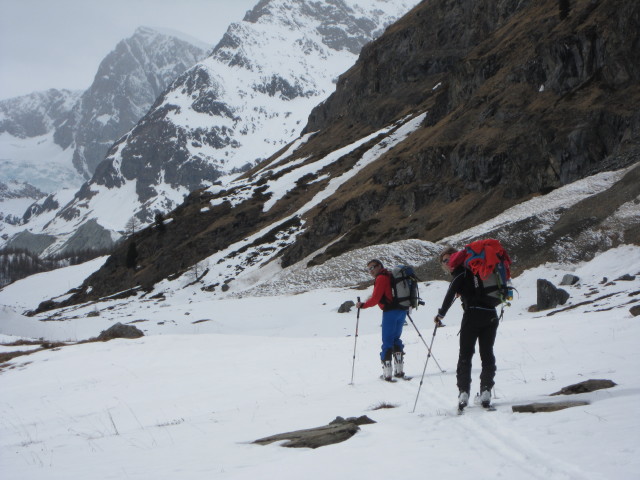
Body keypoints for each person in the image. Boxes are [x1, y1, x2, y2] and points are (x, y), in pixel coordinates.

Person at [434, 247, 499, 411]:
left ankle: (463, 392)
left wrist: (441, 314)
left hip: (472, 316)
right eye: (444, 261)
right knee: (487, 353)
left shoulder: (461, 272)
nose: (447, 263)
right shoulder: (477, 269)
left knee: (465, 354)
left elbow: (450, 294)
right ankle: (486, 391)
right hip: (491, 314)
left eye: (448, 259)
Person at [356, 259, 407, 381]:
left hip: (390, 311)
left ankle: (387, 373)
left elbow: (375, 299)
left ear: (379, 266)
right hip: (402, 310)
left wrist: (363, 305)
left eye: (372, 267)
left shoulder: (381, 278)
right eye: (368, 269)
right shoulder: (390, 275)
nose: (370, 271)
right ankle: (399, 370)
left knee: (387, 341)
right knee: (396, 339)